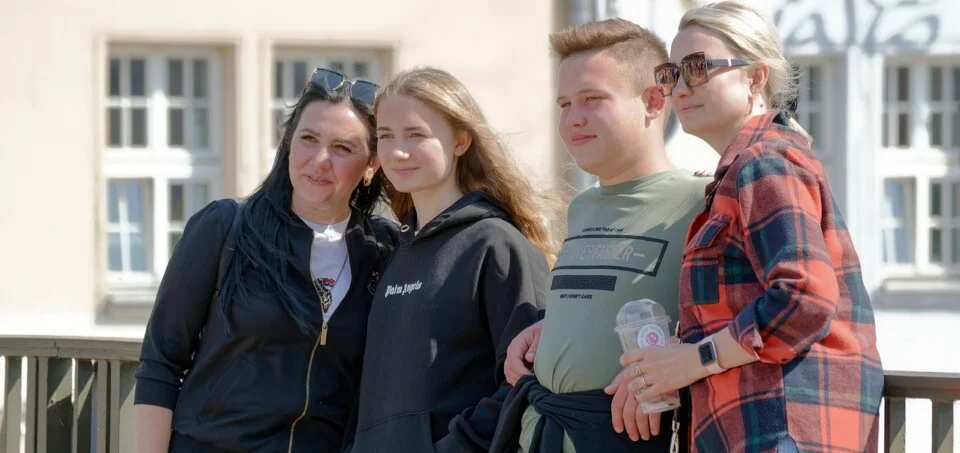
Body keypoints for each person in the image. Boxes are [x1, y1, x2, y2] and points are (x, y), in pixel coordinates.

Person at [615, 2, 884, 452]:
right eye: (672, 73)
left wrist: (695, 359)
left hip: (782, 430)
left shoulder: (764, 163)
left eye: (698, 68)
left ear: (755, 78)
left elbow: (804, 299)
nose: (681, 86)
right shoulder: (741, 170)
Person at [133, 68, 398, 452]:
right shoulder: (225, 227)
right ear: (289, 144)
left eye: (342, 148)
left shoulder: (384, 251)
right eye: (308, 139)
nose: (320, 159)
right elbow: (160, 364)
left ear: (371, 166)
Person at [493, 18, 712, 453]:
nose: (573, 119)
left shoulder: (703, 201)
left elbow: (749, 316)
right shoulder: (583, 207)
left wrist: (671, 355)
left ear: (652, 100)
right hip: (541, 431)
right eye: (564, 104)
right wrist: (547, 328)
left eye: (593, 99)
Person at [347, 67, 555, 453]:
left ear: (460, 141)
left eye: (416, 135)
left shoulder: (496, 245)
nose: (397, 151)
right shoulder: (395, 252)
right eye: (386, 136)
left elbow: (526, 380)